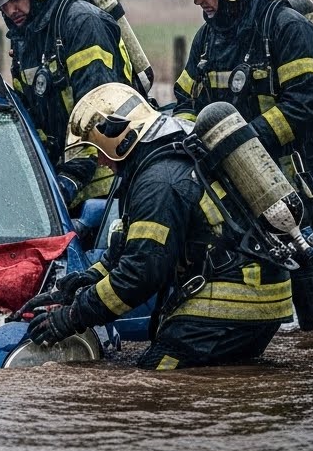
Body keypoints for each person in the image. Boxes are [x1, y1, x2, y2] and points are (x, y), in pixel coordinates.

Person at [20, 83, 294, 369]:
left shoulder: (158, 182)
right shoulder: (165, 150)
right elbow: (131, 249)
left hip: (231, 304)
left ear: (120, 137)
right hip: (258, 297)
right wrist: (78, 283)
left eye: (99, 149)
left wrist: (72, 318)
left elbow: (140, 274)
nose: (100, 160)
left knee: (155, 380)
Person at [166, 0, 313, 335]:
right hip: (237, 192)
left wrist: (241, 142)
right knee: (244, 295)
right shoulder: (207, 39)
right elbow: (183, 100)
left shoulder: (286, 28)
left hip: (298, 190)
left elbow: (306, 103)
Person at [0, 0, 140, 209]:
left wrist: (70, 177)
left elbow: (98, 109)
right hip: (61, 179)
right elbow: (34, 115)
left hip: (108, 185)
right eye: (1, 5)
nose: (9, 10)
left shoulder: (81, 24)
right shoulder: (26, 38)